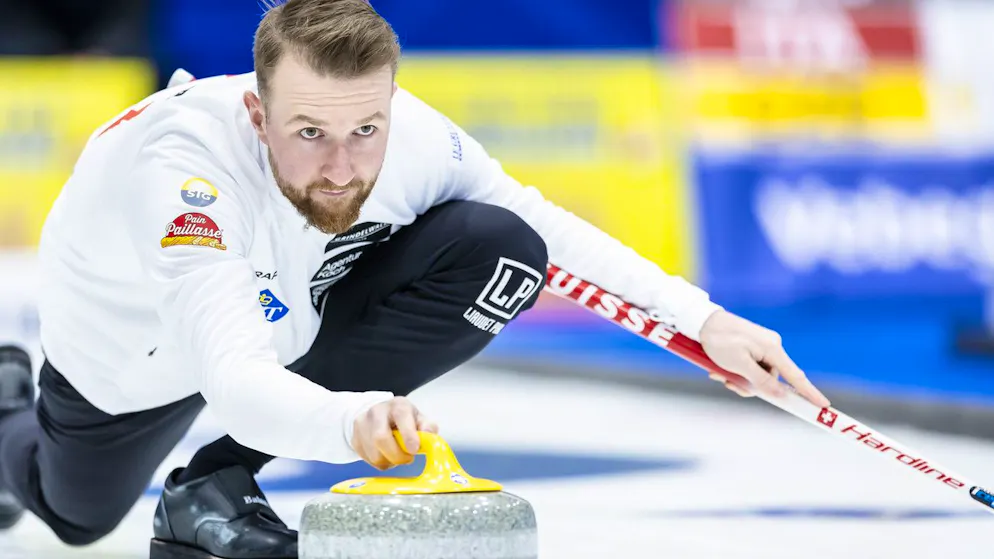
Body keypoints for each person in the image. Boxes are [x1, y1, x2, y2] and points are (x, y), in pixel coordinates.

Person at [0, 0, 831, 557]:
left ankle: (211, 486)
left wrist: (704, 322)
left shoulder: (408, 138)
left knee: (500, 244)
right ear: (256, 114)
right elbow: (233, 377)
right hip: (134, 353)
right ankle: (7, 400)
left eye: (367, 127)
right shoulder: (184, 171)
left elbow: (544, 229)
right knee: (75, 514)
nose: (341, 167)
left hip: (286, 309)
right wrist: (353, 420)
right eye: (310, 132)